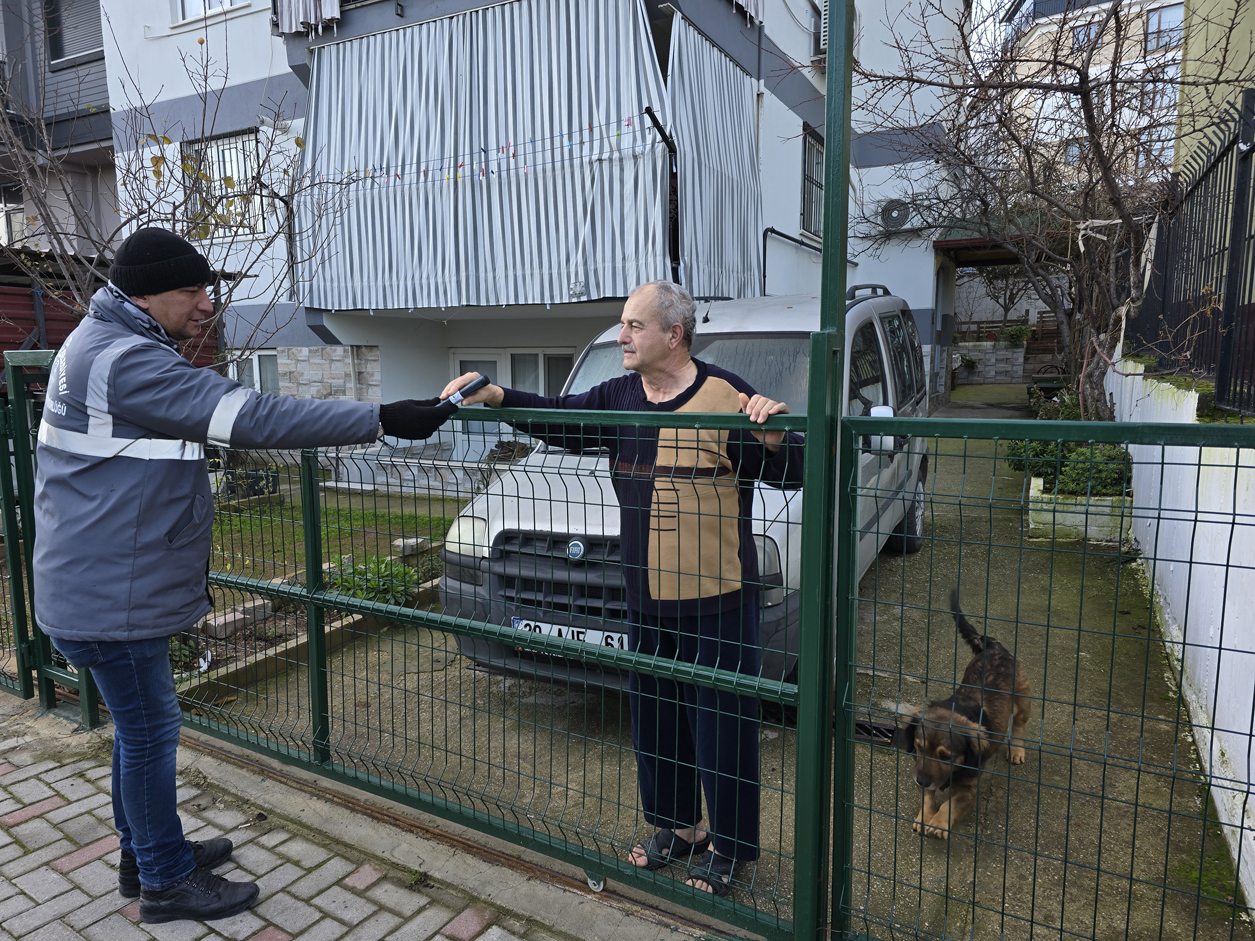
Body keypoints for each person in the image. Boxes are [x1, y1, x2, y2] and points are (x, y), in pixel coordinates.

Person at [32, 228, 459, 925]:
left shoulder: (93, 342)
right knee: (146, 734)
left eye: (209, 288)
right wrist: (380, 417)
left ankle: (147, 854)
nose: (207, 304)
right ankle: (164, 883)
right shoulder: (125, 360)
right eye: (192, 291)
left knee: (136, 731)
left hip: (91, 582)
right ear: (143, 294)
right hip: (110, 594)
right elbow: (251, 414)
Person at [441, 279, 804, 897]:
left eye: (634, 325)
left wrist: (774, 434)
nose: (622, 335)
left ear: (674, 334)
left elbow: (790, 472)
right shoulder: (617, 396)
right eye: (623, 324)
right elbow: (561, 420)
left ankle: (732, 849)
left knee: (723, 725)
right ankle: (678, 829)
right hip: (645, 599)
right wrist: (499, 396)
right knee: (656, 718)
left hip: (719, 598)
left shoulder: (724, 395)